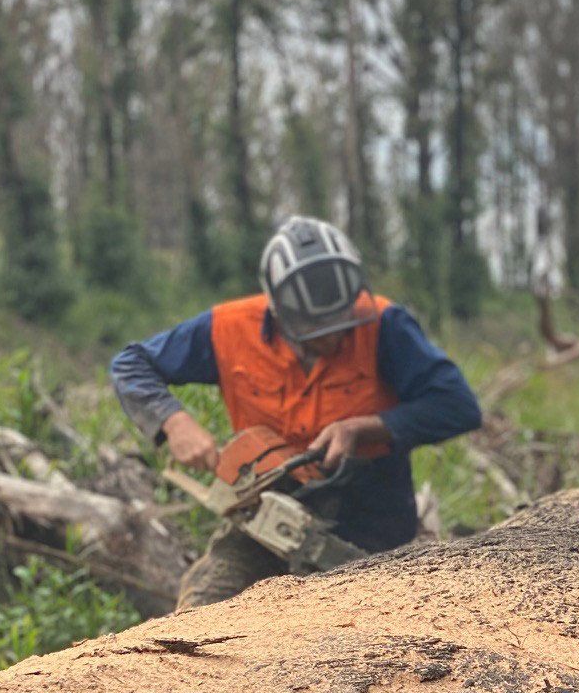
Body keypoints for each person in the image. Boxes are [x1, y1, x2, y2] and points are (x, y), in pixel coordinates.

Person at [111, 218, 481, 606]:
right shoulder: (229, 329)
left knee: (373, 624)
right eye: (319, 330)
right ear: (282, 314)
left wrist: (367, 429)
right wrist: (173, 421)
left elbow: (458, 406)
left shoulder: (385, 325)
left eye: (343, 322)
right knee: (205, 607)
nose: (336, 336)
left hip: (373, 515)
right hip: (265, 512)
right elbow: (131, 364)